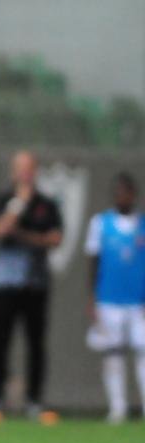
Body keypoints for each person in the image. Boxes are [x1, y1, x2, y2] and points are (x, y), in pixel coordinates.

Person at [0, 150, 63, 425]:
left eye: (29, 168)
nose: (24, 173)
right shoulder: (4, 200)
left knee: (35, 344)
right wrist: (19, 206)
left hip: (35, 283)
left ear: (35, 170)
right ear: (13, 171)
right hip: (4, 283)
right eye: (20, 168)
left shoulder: (48, 204)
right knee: (0, 342)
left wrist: (25, 236)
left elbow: (54, 239)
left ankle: (34, 400)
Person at [83, 172, 145, 424]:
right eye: (119, 192)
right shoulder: (101, 223)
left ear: (134, 195)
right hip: (109, 299)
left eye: (127, 192)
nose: (123, 197)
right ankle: (117, 408)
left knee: (142, 351)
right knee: (113, 353)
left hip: (139, 300)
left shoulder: (143, 224)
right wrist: (92, 297)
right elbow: (93, 261)